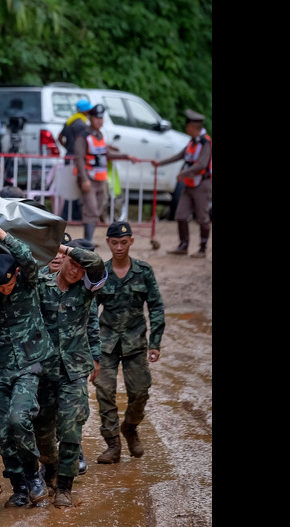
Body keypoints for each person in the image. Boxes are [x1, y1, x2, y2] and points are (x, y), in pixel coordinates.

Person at [0, 209, 52, 508]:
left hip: (28, 363)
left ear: (15, 277)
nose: (4, 290)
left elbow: (27, 257)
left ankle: (34, 474)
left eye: (7, 284)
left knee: (18, 419)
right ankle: (19, 486)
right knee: (3, 430)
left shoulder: (28, 283)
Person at [34, 240, 107, 507]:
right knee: (42, 429)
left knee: (70, 428)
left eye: (80, 267)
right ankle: (50, 467)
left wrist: (65, 248)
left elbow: (96, 264)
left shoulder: (87, 290)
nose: (76, 271)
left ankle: (65, 486)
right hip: (44, 369)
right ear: (61, 262)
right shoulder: (42, 283)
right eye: (72, 265)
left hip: (74, 370)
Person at [91, 222, 165, 464]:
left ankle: (130, 427)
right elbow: (91, 311)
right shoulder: (100, 271)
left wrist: (155, 342)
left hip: (135, 343)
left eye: (124, 242)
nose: (119, 247)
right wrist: (90, 349)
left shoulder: (143, 271)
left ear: (131, 241)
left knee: (140, 392)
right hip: (107, 343)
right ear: (108, 242)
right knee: (104, 392)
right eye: (114, 242)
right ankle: (113, 445)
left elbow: (155, 306)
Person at [73, 104, 138, 243]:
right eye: (97, 118)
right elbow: (79, 158)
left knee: (98, 208)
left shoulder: (99, 135)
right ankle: (88, 240)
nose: (99, 121)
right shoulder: (83, 136)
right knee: (91, 210)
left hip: (100, 179)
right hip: (89, 178)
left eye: (101, 118)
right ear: (90, 118)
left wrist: (125, 155)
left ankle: (88, 239)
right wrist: (84, 179)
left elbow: (105, 153)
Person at [153, 109, 212, 257]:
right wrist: (160, 163)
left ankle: (202, 249)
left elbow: (202, 164)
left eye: (188, 127)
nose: (186, 129)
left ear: (193, 127)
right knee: (180, 214)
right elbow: (181, 155)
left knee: (202, 217)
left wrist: (182, 173)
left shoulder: (206, 143)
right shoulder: (192, 142)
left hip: (202, 184)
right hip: (189, 183)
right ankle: (183, 246)